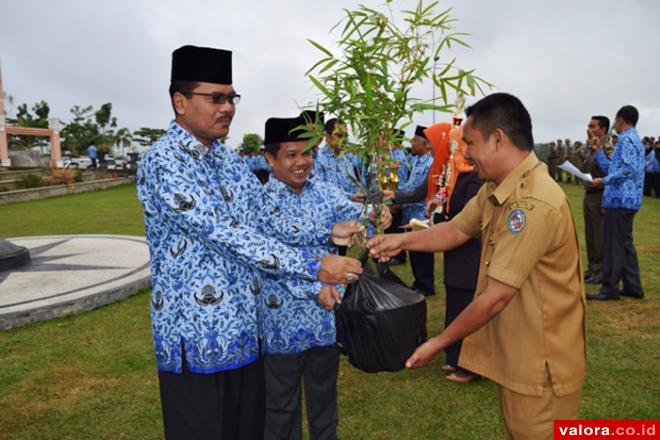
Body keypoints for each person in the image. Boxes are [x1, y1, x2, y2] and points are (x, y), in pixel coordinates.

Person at [136, 45, 363, 440]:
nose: (227, 107)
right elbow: (224, 233)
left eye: (231, 97)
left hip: (247, 334)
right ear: (180, 101)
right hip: (197, 338)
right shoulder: (164, 161)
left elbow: (267, 222)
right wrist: (314, 266)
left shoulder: (227, 161)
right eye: (215, 98)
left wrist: (329, 234)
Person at [368, 93, 585, 439]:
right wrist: (400, 240)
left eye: (470, 143)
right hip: (519, 353)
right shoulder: (498, 186)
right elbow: (456, 230)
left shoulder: (531, 205)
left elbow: (495, 297)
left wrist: (438, 342)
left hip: (541, 363)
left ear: (498, 139)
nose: (465, 153)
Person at [259, 115, 390, 440]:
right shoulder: (259, 201)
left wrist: (374, 216)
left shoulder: (323, 190)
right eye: (291, 155)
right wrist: (315, 283)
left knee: (324, 408)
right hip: (281, 324)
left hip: (325, 321)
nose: (302, 162)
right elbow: (268, 257)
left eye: (307, 153)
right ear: (269, 158)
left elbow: (355, 218)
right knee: (280, 411)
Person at [588, 105, 645, 300]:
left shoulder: (626, 139)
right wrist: (598, 152)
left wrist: (602, 181)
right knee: (625, 245)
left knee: (613, 246)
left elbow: (626, 169)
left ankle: (609, 288)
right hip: (627, 200)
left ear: (620, 119)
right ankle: (633, 286)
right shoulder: (634, 139)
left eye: (616, 120)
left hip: (620, 200)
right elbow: (613, 168)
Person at [399, 125, 435, 295]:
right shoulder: (415, 161)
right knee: (414, 251)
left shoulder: (431, 163)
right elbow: (408, 184)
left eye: (415, 141)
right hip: (409, 212)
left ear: (427, 144)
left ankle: (426, 286)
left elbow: (420, 191)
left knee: (422, 252)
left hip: (420, 214)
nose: (412, 143)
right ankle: (419, 282)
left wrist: (395, 197)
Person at [582, 116, 610, 285]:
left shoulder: (607, 148)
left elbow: (611, 173)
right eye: (588, 125)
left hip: (600, 194)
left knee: (599, 235)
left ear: (603, 129)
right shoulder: (592, 147)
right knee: (590, 234)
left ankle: (601, 271)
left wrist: (606, 200)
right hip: (589, 194)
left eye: (593, 126)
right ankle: (592, 268)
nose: (589, 129)